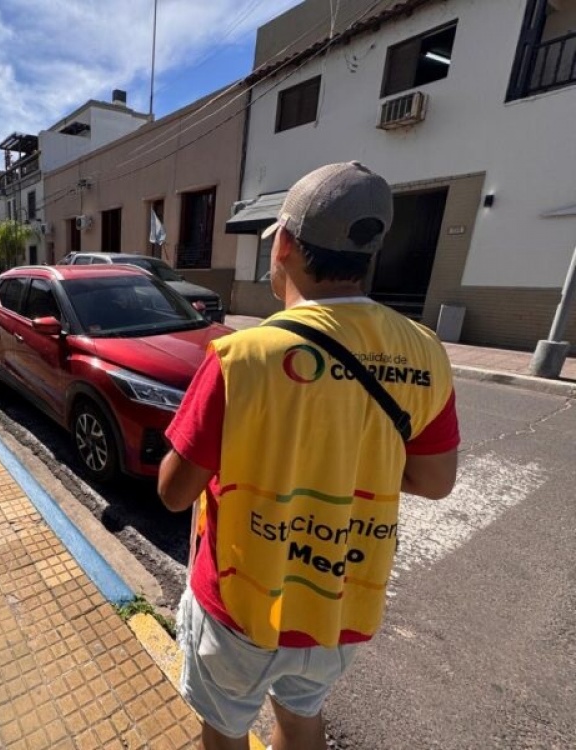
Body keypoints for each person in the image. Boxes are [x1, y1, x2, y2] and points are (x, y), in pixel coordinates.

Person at [158, 162, 460, 750]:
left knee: (223, 729)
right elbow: (435, 479)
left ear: (287, 246)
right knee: (301, 720)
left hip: (239, 603)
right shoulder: (424, 351)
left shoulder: (241, 356)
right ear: (370, 253)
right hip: (339, 601)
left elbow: (173, 492)